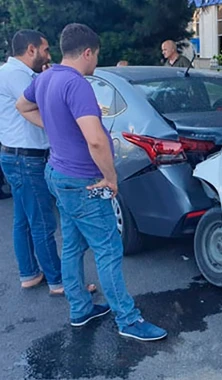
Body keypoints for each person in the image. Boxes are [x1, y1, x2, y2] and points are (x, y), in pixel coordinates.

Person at [16, 23, 167, 341]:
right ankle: (127, 320)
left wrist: (56, 127)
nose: (96, 62)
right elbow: (97, 141)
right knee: (109, 249)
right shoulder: (77, 85)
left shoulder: (46, 77)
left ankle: (80, 310)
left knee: (72, 245)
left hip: (58, 174)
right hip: (85, 180)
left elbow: (23, 106)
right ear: (87, 52)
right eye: (96, 56)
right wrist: (110, 178)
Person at [0, 30, 62, 293]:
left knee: (24, 220)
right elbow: (44, 102)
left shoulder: (12, 72)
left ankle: (30, 273)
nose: (48, 55)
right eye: (45, 50)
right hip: (26, 158)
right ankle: (59, 281)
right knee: (42, 222)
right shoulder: (16, 75)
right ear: (31, 49)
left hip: (15, 155)